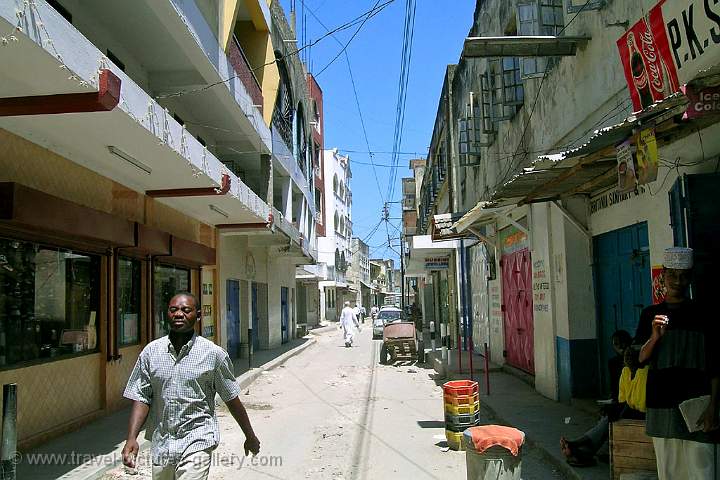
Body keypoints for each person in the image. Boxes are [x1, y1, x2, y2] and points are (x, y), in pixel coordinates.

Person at [121, 292, 260, 479]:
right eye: (173, 310)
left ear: (198, 315)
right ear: (167, 314)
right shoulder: (151, 353)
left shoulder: (213, 354)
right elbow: (142, 396)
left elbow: (231, 398)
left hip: (198, 441)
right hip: (162, 443)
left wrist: (249, 435)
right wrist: (132, 437)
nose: (179, 314)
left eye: (186, 310)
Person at [635, 247, 718, 479]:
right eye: (672, 274)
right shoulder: (650, 315)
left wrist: (714, 407)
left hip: (698, 408)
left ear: (690, 278)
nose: (677, 281)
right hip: (662, 407)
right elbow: (638, 360)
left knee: (703, 473)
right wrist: (654, 337)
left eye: (683, 276)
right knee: (669, 474)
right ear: (663, 277)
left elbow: (715, 365)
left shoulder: (704, 315)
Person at [560, 343, 647, 466]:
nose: (627, 359)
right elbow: (622, 399)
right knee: (608, 415)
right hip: (628, 409)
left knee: (611, 417)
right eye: (626, 356)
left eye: (631, 356)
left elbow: (641, 404)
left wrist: (622, 407)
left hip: (643, 413)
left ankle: (578, 445)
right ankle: (584, 451)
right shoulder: (625, 372)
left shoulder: (644, 373)